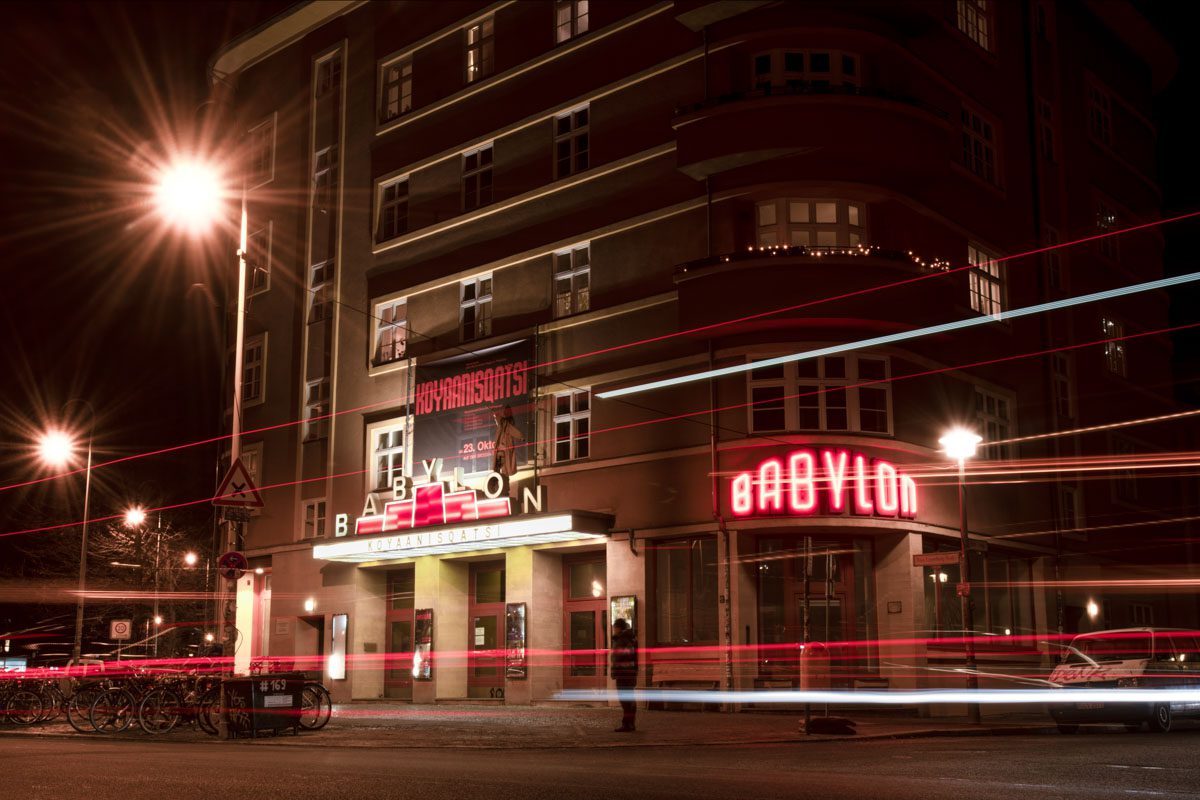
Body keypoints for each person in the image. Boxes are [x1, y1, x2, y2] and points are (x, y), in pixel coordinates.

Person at [610, 618, 638, 732]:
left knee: (625, 700)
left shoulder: (623, 639)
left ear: (619, 628)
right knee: (628, 699)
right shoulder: (629, 638)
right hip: (628, 672)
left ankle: (628, 724)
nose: (613, 630)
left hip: (624, 673)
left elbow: (620, 656)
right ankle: (629, 723)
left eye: (615, 627)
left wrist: (616, 668)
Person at [491, 404, 525, 494]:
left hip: (504, 451)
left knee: (504, 471)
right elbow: (499, 421)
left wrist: (521, 436)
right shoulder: (502, 423)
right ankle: (497, 487)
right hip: (500, 451)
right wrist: (496, 416)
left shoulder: (506, 423)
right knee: (498, 470)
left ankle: (504, 489)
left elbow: (512, 430)